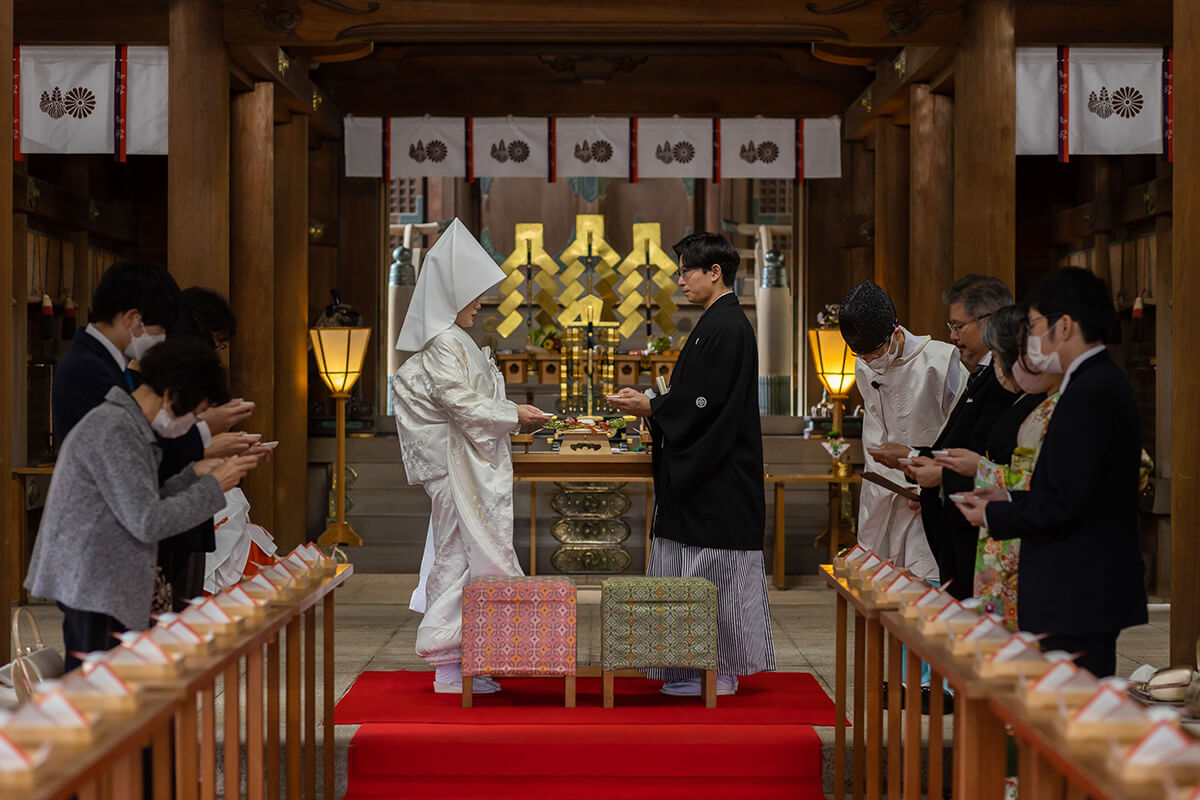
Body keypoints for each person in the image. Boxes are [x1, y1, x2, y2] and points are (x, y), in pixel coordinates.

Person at [955, 267, 1147, 678]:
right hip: (1077, 587)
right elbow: (1068, 487)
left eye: (1035, 326)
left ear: (1064, 326)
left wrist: (993, 514)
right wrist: (1006, 497)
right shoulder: (1094, 384)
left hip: (1076, 589)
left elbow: (1066, 502)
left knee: (1068, 702)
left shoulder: (1089, 392)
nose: (1031, 340)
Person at [25, 338, 259, 670]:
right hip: (94, 582)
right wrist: (213, 486)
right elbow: (147, 521)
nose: (189, 425)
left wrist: (195, 474)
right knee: (106, 689)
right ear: (172, 394)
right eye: (193, 415)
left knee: (122, 686)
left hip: (103, 577)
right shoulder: (117, 428)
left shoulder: (129, 424)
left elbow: (144, 498)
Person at [610, 232, 774, 698]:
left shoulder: (728, 325)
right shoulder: (715, 322)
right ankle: (691, 666)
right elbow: (695, 397)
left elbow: (706, 403)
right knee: (692, 572)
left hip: (719, 476)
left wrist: (653, 407)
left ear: (714, 272)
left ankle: (717, 671)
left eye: (686, 271)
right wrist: (659, 403)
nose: (680, 280)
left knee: (714, 574)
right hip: (706, 472)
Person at [391, 219, 550, 694]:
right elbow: (460, 403)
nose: (480, 304)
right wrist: (514, 413)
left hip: (467, 464)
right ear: (449, 297)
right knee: (458, 556)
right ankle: (449, 664)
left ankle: (471, 657)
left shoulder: (453, 340)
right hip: (458, 468)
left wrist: (508, 412)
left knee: (465, 555)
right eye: (473, 296)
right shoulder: (445, 342)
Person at [876, 275, 1017, 598]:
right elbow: (959, 445)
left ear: (990, 321)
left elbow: (995, 460)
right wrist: (913, 457)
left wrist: (938, 473)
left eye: (958, 326)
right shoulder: (983, 374)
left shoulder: (1005, 383)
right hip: (954, 532)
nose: (952, 336)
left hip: (980, 538)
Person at [932, 304, 1056, 627]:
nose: (997, 366)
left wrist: (981, 469)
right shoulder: (1029, 399)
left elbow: (1039, 481)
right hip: (1005, 523)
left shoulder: (1054, 404)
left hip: (1028, 531)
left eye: (1000, 358)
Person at [839, 281, 964, 582]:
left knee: (926, 579)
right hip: (883, 488)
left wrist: (933, 484)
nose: (869, 363)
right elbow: (874, 429)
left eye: (874, 353)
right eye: (861, 356)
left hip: (928, 483)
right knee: (874, 578)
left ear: (895, 333)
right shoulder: (864, 366)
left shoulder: (939, 361)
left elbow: (962, 430)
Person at [52, 261, 180, 446]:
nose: (163, 337)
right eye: (161, 328)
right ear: (132, 318)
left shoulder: (109, 361)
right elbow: (120, 442)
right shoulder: (85, 369)